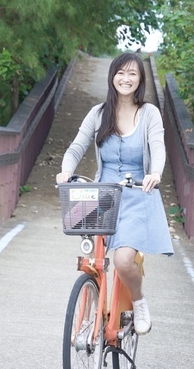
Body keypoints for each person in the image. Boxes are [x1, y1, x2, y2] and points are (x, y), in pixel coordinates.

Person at [55, 52, 174, 334]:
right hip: (102, 196)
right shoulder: (98, 114)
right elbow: (76, 146)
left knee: (122, 259)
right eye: (121, 72)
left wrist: (155, 172)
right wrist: (64, 170)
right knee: (93, 259)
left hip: (136, 195)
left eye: (133, 73)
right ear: (112, 77)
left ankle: (139, 301)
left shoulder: (149, 114)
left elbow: (158, 145)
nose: (126, 78)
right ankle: (93, 306)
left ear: (141, 79)